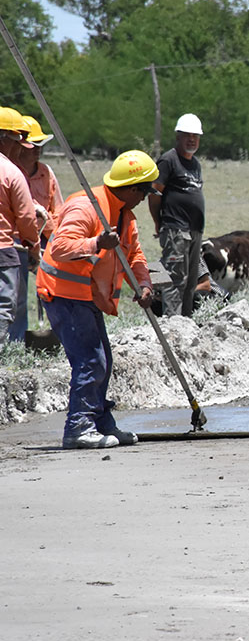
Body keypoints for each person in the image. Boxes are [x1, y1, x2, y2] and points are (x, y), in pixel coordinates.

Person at [36, 150, 158, 449]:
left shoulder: (124, 215)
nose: (145, 198)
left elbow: (134, 255)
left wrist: (142, 283)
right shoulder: (86, 207)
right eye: (144, 192)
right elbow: (60, 247)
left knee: (104, 360)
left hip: (87, 296)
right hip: (63, 293)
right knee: (91, 361)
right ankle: (78, 428)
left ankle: (101, 422)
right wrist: (96, 242)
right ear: (132, 189)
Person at [10, 115, 63, 342]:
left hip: (43, 240)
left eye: (40, 146)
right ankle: (16, 340)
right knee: (17, 295)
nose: (37, 151)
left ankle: (54, 333)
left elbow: (56, 209)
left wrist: (55, 243)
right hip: (17, 242)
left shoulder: (47, 173)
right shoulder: (10, 172)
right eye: (33, 146)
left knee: (52, 289)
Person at [150, 113, 204, 317]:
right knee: (175, 279)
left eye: (196, 136)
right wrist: (159, 222)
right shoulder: (168, 160)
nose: (192, 139)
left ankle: (186, 323)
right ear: (178, 136)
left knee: (191, 282)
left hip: (194, 230)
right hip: (176, 229)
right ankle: (173, 325)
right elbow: (155, 194)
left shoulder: (195, 164)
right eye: (187, 135)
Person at [0, 107, 40, 341]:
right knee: (3, 310)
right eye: (18, 140)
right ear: (5, 139)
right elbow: (26, 218)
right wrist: (34, 247)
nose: (20, 147)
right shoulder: (10, 172)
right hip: (4, 251)